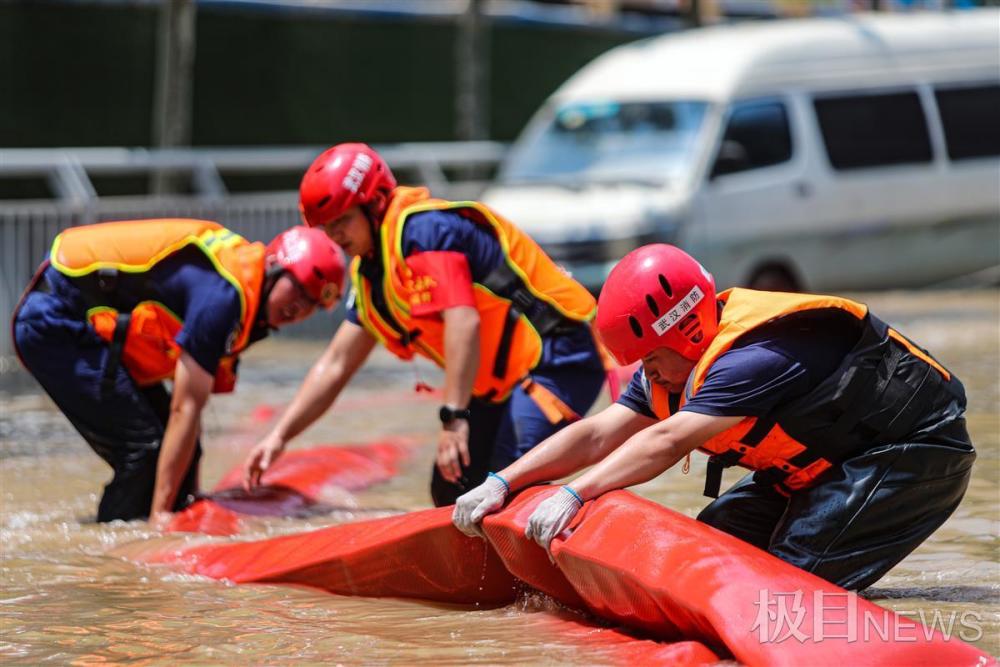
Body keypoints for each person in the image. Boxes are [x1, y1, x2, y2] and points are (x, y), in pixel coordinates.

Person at [453, 244, 975, 591]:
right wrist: (502, 482)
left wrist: (575, 494)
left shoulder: (755, 356)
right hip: (821, 465)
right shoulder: (673, 367)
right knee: (709, 555)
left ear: (684, 332)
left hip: (910, 454)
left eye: (651, 359)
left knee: (786, 590)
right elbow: (597, 433)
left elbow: (667, 441)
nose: (648, 374)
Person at [242, 143, 609, 506]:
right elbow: (336, 363)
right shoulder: (372, 275)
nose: (335, 236)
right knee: (451, 493)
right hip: (500, 383)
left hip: (560, 356)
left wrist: (454, 418)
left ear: (375, 203)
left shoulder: (425, 231)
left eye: (343, 221)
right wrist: (279, 437)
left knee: (507, 480)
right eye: (327, 226)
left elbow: (461, 320)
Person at [12, 219, 345, 526]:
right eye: (300, 289)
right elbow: (184, 408)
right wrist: (160, 520)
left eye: (314, 304)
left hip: (89, 331)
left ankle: (128, 526)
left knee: (176, 465)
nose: (300, 308)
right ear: (274, 266)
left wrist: (189, 497)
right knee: (144, 453)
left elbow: (192, 410)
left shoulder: (244, 298)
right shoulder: (224, 296)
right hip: (55, 322)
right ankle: (114, 559)